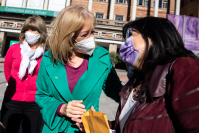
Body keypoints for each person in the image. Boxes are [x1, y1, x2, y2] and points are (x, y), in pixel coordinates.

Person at [35, 6, 123, 133]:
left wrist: (139, 95)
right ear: (67, 36)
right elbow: (42, 95)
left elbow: (117, 91)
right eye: (84, 34)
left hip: (89, 127)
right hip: (55, 128)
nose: (91, 38)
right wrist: (61, 108)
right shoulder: (49, 59)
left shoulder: (102, 57)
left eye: (92, 32)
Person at [1, 15, 47, 133]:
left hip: (35, 103)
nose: (29, 33)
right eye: (26, 29)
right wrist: (15, 87)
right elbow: (7, 70)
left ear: (40, 32)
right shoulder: (14, 49)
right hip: (12, 100)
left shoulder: (47, 54)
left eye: (33, 29)